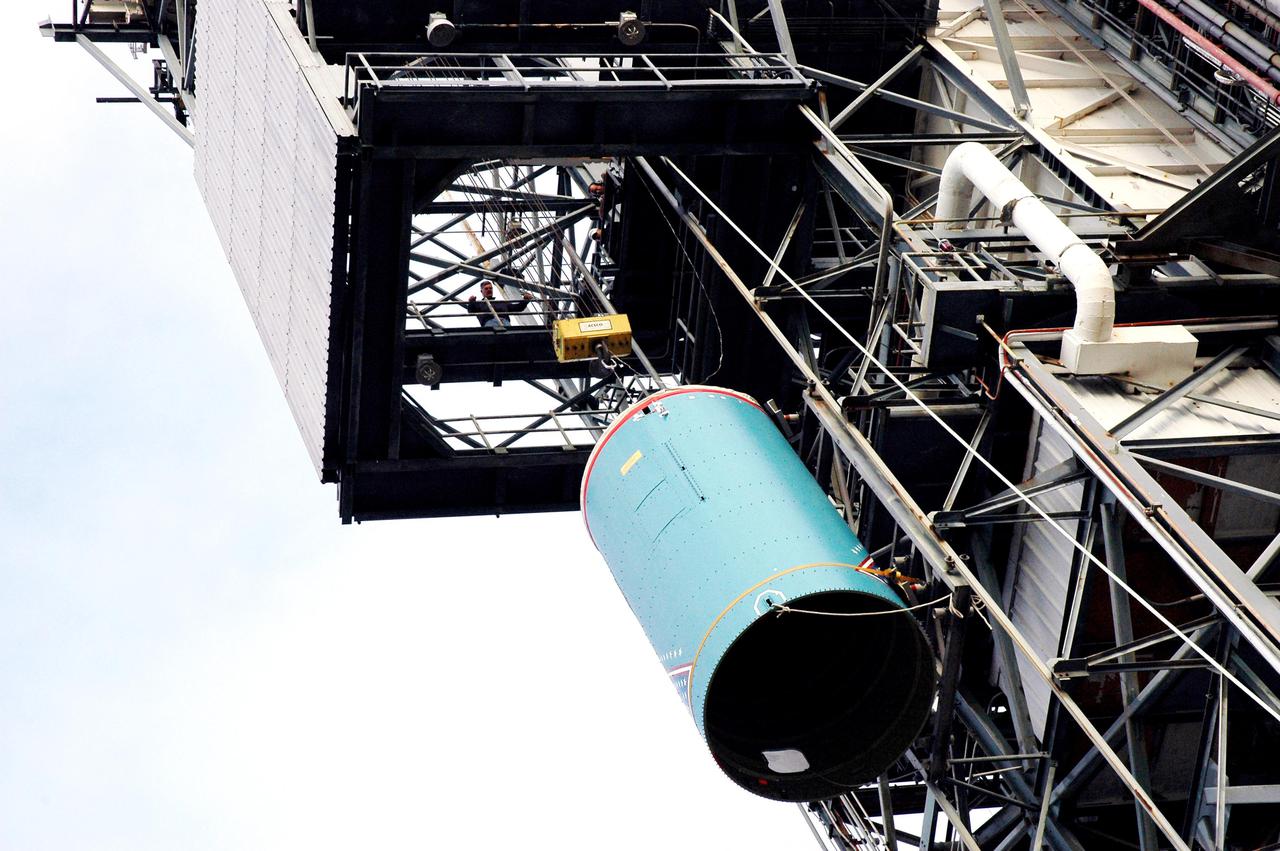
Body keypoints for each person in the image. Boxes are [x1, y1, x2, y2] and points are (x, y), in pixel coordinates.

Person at [466, 280, 534, 329]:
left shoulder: (501, 302)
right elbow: (471, 311)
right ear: (482, 291)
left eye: (490, 288)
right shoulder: (479, 304)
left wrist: (525, 300)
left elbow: (518, 308)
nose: (489, 290)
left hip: (505, 322)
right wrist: (471, 302)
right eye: (486, 288)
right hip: (489, 323)